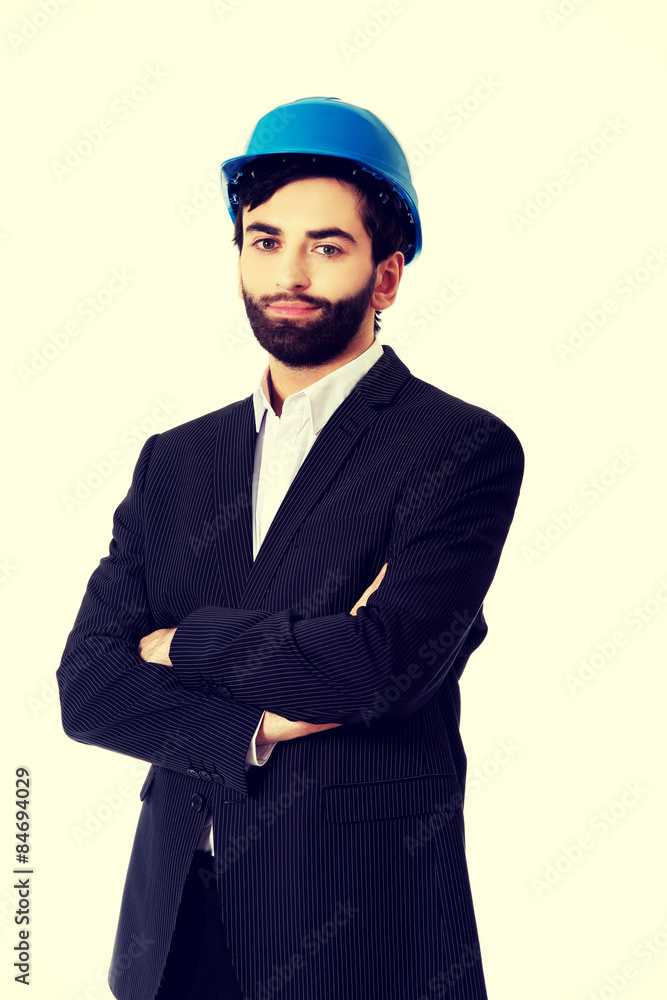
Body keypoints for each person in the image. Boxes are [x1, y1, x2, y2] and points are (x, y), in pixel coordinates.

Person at [57, 96, 525, 1000]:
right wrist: (258, 725)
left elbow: (375, 668)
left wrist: (178, 644)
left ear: (386, 277)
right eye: (265, 241)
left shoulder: (458, 448)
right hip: (175, 926)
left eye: (327, 246)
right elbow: (88, 688)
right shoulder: (175, 460)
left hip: (359, 924)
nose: (289, 272)